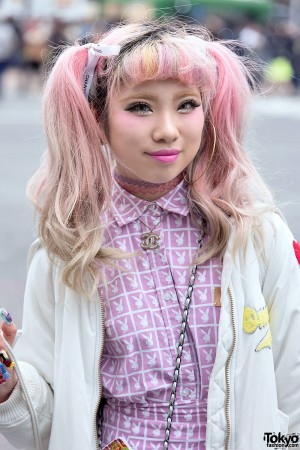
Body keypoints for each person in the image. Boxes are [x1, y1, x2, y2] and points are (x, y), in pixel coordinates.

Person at [0, 18, 300, 450]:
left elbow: (291, 390)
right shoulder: (69, 247)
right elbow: (50, 425)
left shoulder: (256, 234)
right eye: (140, 106)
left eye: (187, 104)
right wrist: (7, 382)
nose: (167, 129)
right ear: (97, 119)